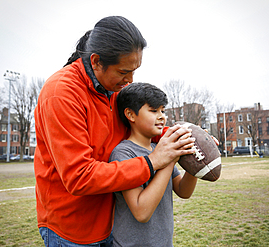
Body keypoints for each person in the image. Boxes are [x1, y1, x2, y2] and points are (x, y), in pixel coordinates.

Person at [34, 16, 196, 246]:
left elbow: (143, 124)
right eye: (123, 72)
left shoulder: (114, 89)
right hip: (72, 230)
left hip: (110, 223)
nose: (130, 80)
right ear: (97, 61)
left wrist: (187, 137)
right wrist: (153, 161)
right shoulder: (61, 93)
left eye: (134, 70)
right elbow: (79, 176)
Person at [109, 83, 198, 247]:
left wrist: (196, 164)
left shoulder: (159, 149)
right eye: (153, 110)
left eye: (163, 111)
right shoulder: (123, 153)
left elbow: (183, 191)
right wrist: (170, 159)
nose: (162, 116)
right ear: (130, 114)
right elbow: (141, 212)